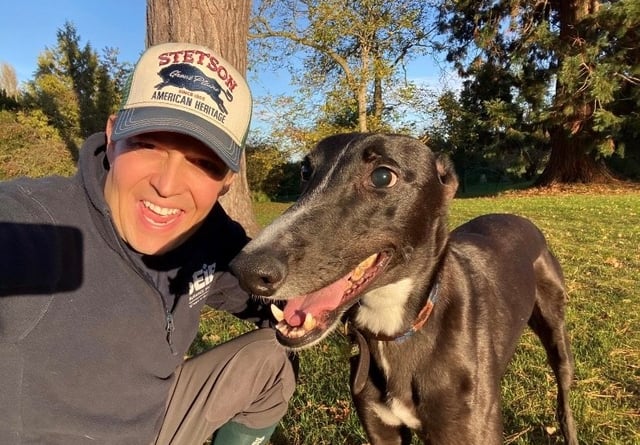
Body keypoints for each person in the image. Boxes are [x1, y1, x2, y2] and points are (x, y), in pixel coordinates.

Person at [0, 42, 295, 445]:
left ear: (228, 179)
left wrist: (316, 306)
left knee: (270, 364)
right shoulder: (34, 226)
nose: (167, 185)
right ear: (112, 133)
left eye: (203, 163)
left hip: (159, 421)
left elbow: (258, 291)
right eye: (148, 144)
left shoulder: (210, 236)